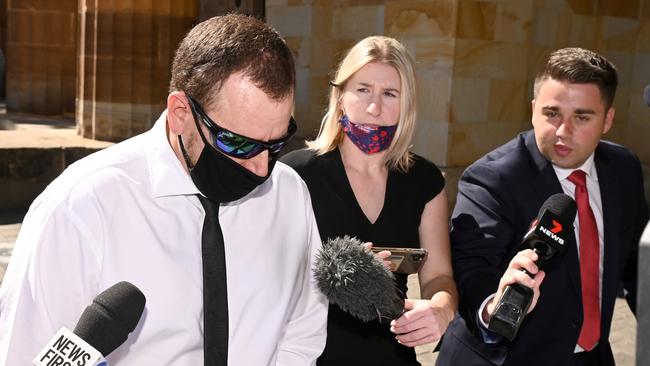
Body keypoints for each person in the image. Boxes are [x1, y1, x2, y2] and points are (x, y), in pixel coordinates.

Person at [0, 14, 328, 365]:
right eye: (237, 144)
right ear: (180, 113)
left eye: (276, 144)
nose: (262, 168)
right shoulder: (81, 205)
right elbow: (25, 351)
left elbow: (303, 326)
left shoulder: (289, 194)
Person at [436, 47, 649, 366]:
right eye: (552, 113)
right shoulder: (492, 179)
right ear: (534, 109)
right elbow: (472, 268)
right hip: (507, 359)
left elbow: (635, 265)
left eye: (582, 117)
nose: (563, 131)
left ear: (608, 120)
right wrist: (494, 306)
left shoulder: (623, 168)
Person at [281, 36, 458, 366]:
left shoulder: (425, 182)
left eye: (390, 94)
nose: (374, 107)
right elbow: (265, 276)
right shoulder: (294, 175)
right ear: (341, 95)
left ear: (407, 104)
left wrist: (442, 307)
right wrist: (335, 273)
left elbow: (438, 277)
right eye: (363, 89)